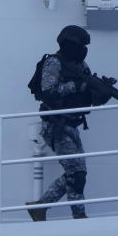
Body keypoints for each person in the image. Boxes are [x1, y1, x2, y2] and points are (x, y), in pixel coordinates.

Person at [26, 25, 110, 221]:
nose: (84, 50)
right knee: (77, 174)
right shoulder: (54, 63)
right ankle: (79, 216)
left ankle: (40, 207)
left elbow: (89, 97)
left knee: (77, 173)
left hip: (71, 125)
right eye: (80, 45)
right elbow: (48, 91)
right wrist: (76, 86)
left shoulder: (81, 66)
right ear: (69, 44)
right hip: (55, 125)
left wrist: (102, 92)